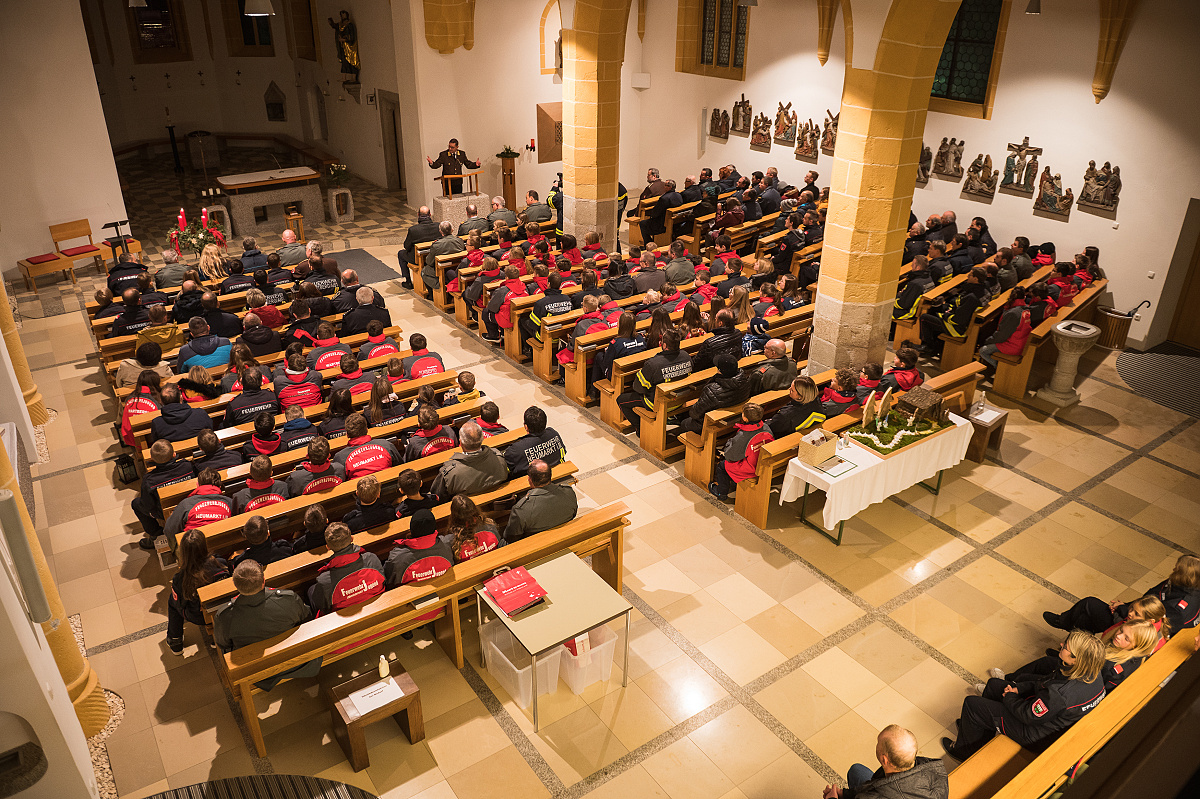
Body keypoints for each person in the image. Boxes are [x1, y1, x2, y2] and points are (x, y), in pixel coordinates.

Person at [942, 631, 1106, 761]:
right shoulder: (1091, 672)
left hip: (1033, 734)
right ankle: (975, 732)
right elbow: (1045, 683)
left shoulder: (1061, 693)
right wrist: (1018, 689)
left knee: (972, 705)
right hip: (1048, 719)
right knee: (993, 685)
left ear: (1075, 659)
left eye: (1065, 647)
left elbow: (1029, 715)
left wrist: (1010, 697)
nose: (1061, 644)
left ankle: (964, 751)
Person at [213, 560, 317, 688]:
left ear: (235, 585)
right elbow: (307, 617)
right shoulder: (288, 599)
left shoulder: (224, 616)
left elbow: (223, 644)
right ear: (263, 581)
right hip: (298, 661)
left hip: (259, 672)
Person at [1044, 556, 1200, 635]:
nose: (1173, 570)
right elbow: (1150, 598)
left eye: (1177, 569)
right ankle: (1067, 653)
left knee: (1089, 604)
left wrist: (1124, 610)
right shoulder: (1183, 583)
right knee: (1085, 621)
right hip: (1135, 613)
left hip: (1135, 630)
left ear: (1184, 576)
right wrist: (1125, 605)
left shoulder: (1179, 608)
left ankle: (1064, 623)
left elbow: (1149, 625)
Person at [825, 725, 947, 799]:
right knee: (857, 771)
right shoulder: (935, 770)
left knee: (856, 771)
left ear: (884, 759)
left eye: (878, 743)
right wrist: (844, 794)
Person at [165, 530, 229, 654]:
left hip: (198, 616)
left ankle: (175, 640)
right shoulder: (219, 563)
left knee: (172, 602)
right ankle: (216, 637)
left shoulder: (181, 578)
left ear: (183, 552)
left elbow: (180, 603)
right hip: (222, 608)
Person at [309, 522, 386, 613]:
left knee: (311, 591)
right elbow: (384, 581)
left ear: (328, 547)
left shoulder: (325, 580)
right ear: (352, 538)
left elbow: (322, 606)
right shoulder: (371, 559)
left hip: (348, 620)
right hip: (381, 611)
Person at [132, 440, 195, 549]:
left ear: (152, 459)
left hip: (164, 512)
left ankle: (156, 534)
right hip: (191, 504)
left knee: (136, 504)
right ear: (174, 454)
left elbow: (148, 505)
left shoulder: (150, 480)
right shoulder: (188, 466)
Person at [504, 460, 578, 543]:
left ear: (529, 480)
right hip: (565, 537)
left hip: (535, 544)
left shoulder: (521, 509)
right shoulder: (568, 492)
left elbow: (510, 538)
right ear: (550, 476)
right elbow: (573, 514)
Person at [709, 403, 773, 499]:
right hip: (763, 463)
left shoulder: (743, 436)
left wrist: (729, 444)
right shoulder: (766, 427)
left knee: (722, 466)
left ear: (745, 419)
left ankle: (721, 493)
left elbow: (730, 456)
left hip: (751, 468)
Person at [430, 421, 508, 498]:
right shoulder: (499, 458)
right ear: (482, 439)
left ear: (461, 442)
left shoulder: (450, 474)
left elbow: (437, 496)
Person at [163, 468, 235, 550]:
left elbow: (169, 530)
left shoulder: (186, 504)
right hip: (224, 546)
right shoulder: (230, 502)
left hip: (194, 550)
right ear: (220, 486)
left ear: (198, 485)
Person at [684, 355, 755, 435]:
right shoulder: (745, 381)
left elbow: (694, 413)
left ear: (720, 370)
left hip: (711, 427)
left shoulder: (712, 390)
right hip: (733, 422)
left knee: (684, 423)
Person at [333, 413, 403, 477]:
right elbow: (400, 467)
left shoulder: (340, 458)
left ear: (347, 435)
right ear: (367, 430)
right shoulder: (386, 444)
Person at [977, 295, 1033, 376]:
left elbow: (1002, 336)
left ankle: (999, 368)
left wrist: (987, 341)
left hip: (1014, 345)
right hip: (1022, 341)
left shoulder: (1013, 313)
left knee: (983, 351)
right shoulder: (1025, 309)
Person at [505, 406, 567, 477]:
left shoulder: (515, 449)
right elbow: (563, 452)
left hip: (532, 481)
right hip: (557, 473)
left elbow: (506, 468)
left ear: (526, 427)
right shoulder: (553, 434)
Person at [396, 207, 440, 289]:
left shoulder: (413, 230)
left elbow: (406, 246)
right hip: (435, 257)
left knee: (401, 253)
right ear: (430, 215)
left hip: (418, 258)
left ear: (418, 215)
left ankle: (408, 281)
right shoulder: (438, 226)